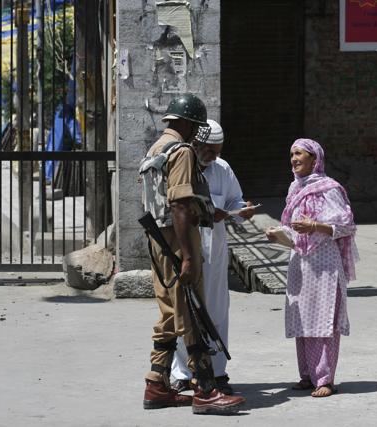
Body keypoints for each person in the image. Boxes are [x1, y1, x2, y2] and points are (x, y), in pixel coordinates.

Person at [139, 94, 245, 414]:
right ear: (184, 123)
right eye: (195, 126)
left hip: (158, 242)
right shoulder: (182, 151)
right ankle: (205, 389)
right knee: (193, 314)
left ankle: (157, 384)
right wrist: (187, 256)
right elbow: (180, 204)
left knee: (171, 313)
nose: (197, 133)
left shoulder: (156, 147)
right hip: (177, 242)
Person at [266, 138, 358, 398]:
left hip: (324, 263)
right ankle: (307, 375)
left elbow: (347, 226)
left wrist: (315, 226)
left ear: (314, 160)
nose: (294, 159)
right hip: (300, 262)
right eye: (291, 154)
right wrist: (278, 235)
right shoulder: (294, 188)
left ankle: (325, 379)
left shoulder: (330, 189)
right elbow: (294, 230)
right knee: (303, 318)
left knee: (324, 319)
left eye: (299, 154)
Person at [170, 119, 255, 395]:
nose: (213, 156)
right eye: (209, 150)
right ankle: (183, 373)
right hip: (188, 252)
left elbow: (235, 201)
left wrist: (242, 210)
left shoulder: (223, 169)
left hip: (215, 254)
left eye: (217, 150)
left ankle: (217, 372)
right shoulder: (181, 167)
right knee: (187, 311)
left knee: (217, 310)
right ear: (196, 144)